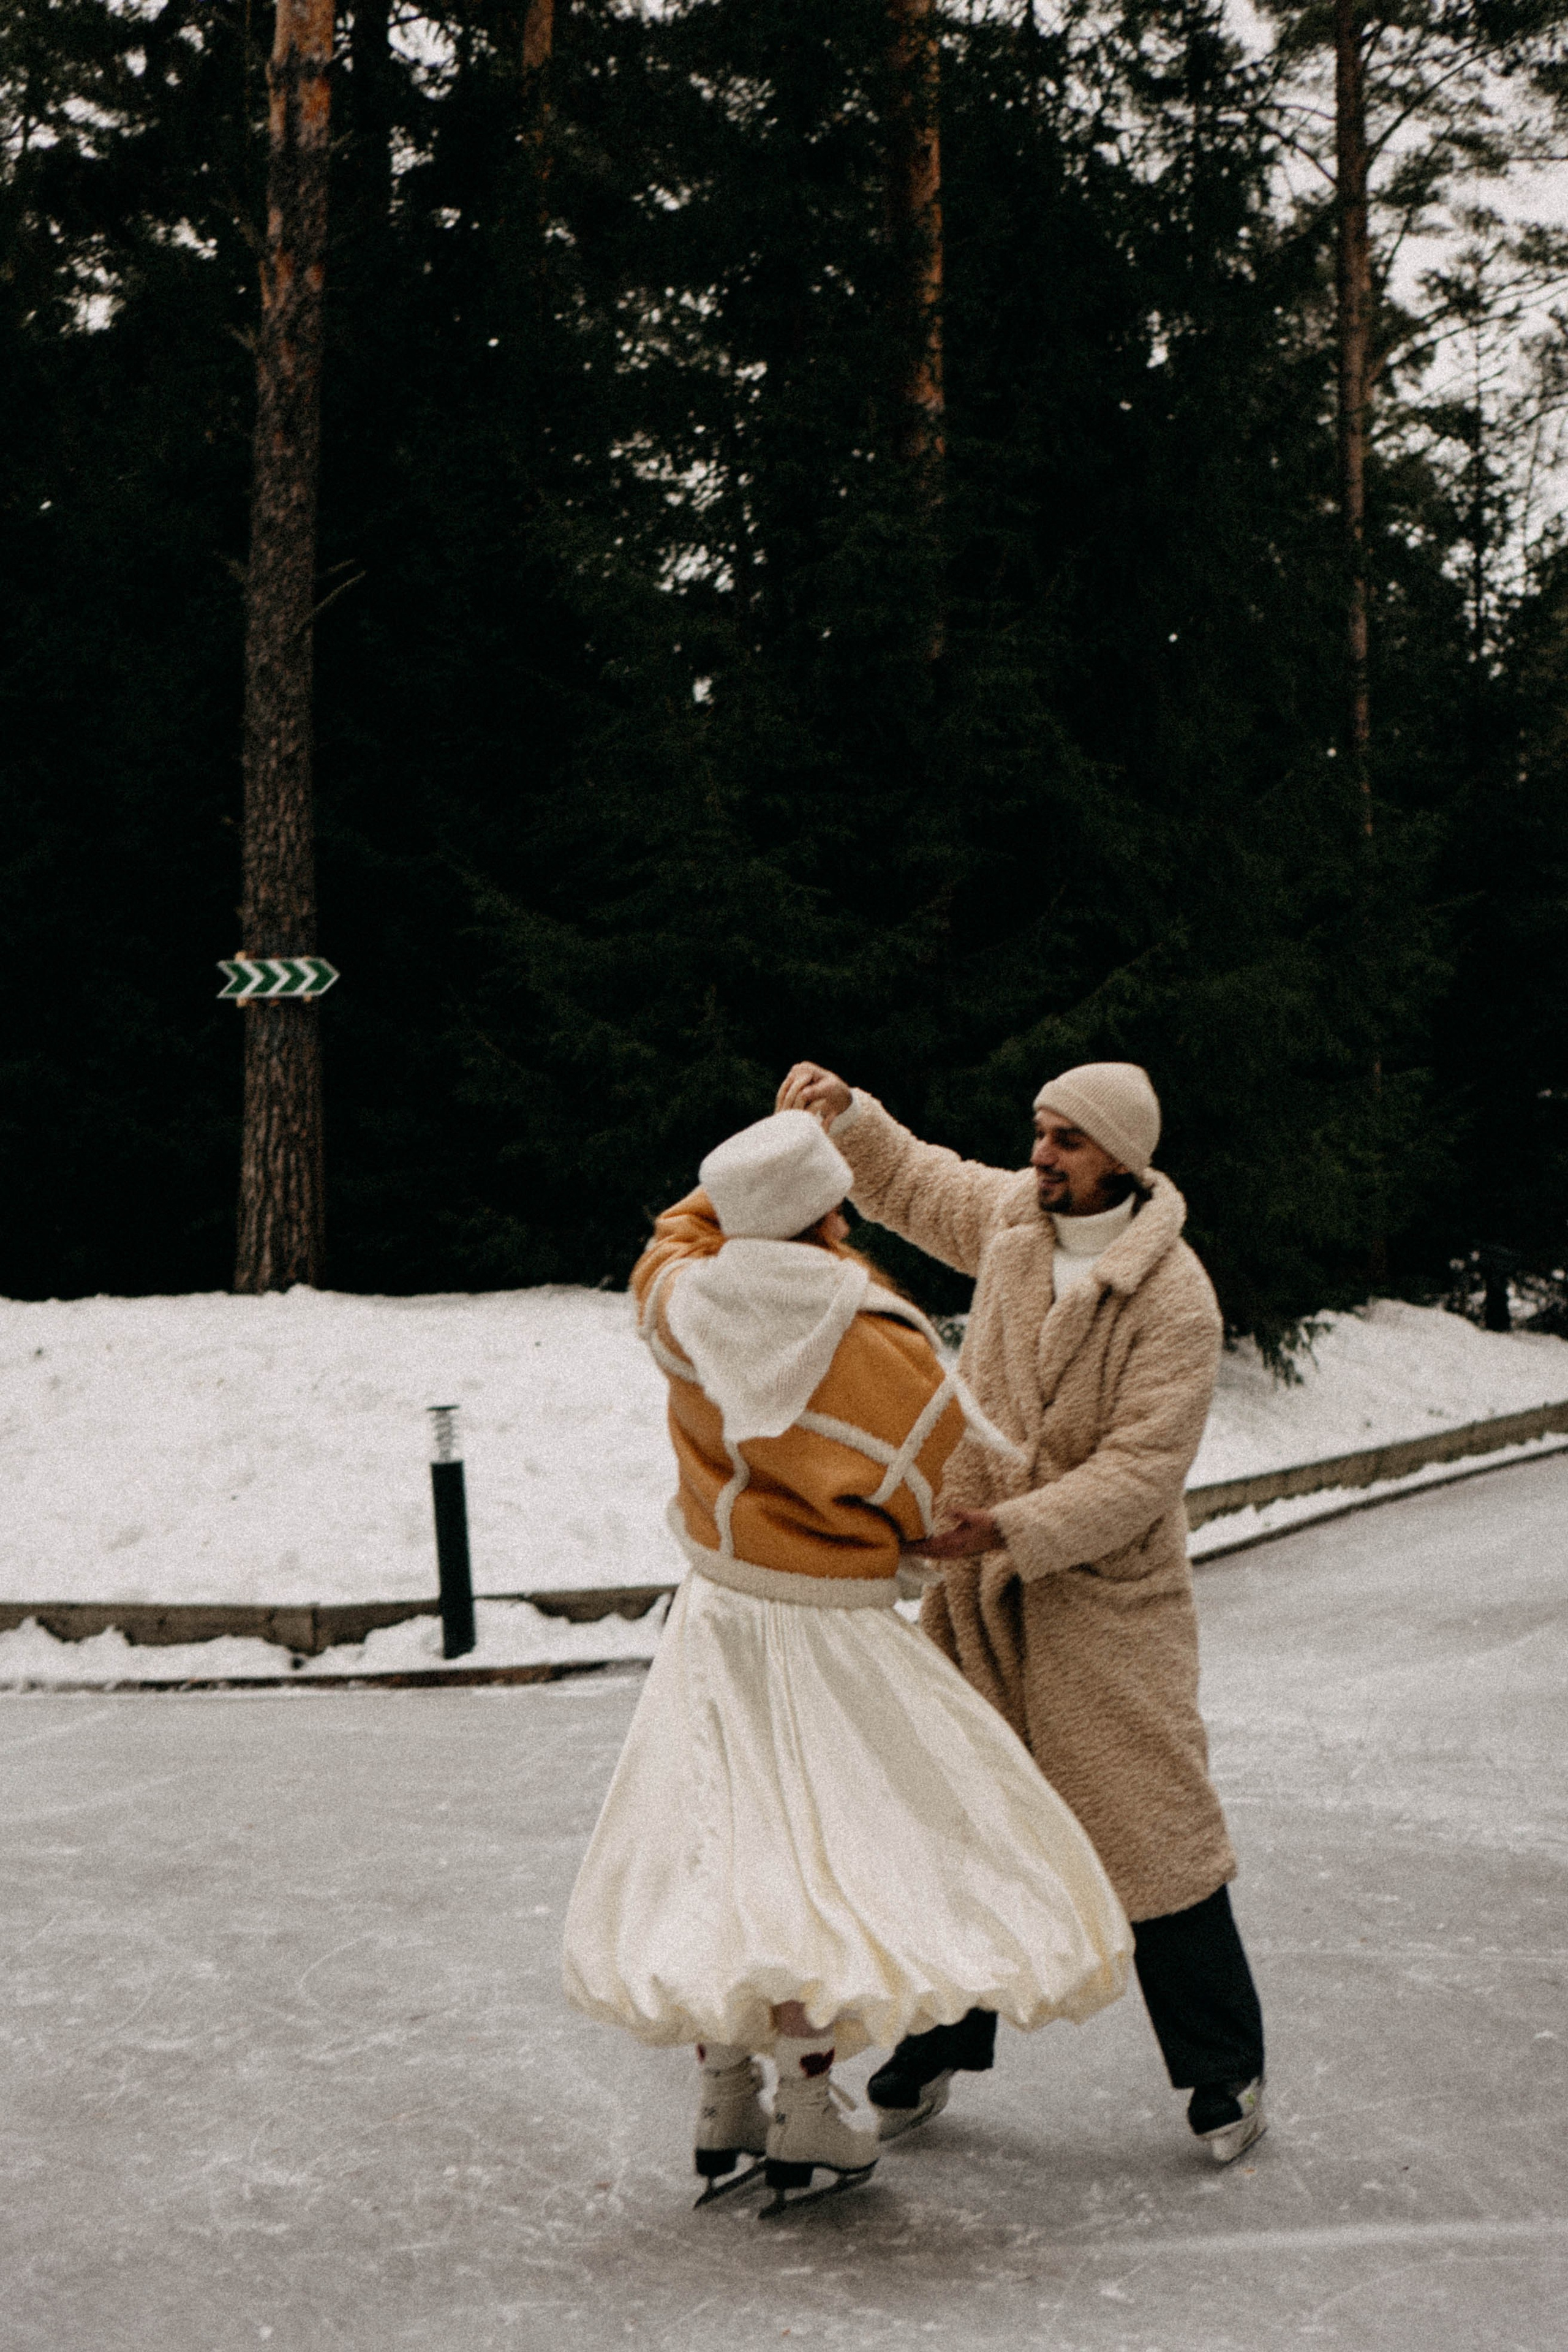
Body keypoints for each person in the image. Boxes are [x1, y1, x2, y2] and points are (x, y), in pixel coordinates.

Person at [562, 1109, 1131, 2213]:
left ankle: (726, 2089)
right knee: (830, 1869)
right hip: (831, 1629)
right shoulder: (883, 1339)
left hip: (719, 1616)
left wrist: (732, 1191)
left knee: (722, 1847)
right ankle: (811, 2108)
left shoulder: (681, 1298)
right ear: (830, 1207)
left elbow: (673, 1239)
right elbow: (929, 1499)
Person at [774, 1060, 1267, 2165]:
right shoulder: (1014, 1223)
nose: (1042, 1156)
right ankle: (937, 2049)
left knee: (1152, 1839)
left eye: (1068, 1142)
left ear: (1122, 1163)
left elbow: (1143, 1471)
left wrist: (1009, 1528)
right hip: (977, 1596)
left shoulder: (1174, 1294)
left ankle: (1225, 2066)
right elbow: (912, 1180)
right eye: (1040, 1133)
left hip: (1102, 1603)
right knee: (962, 1818)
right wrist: (851, 1112)